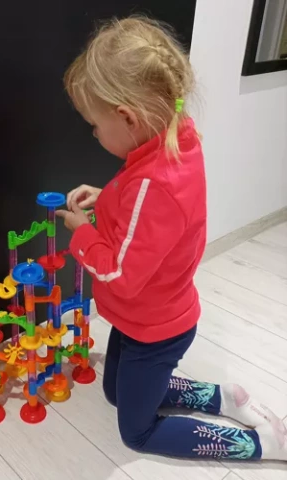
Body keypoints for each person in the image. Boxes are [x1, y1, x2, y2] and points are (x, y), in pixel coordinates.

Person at [56, 16, 287, 461]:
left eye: (94, 125)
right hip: (142, 316)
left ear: (127, 117)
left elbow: (121, 274)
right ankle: (222, 397)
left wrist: (83, 233)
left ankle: (261, 444)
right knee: (115, 393)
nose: (94, 133)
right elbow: (150, 210)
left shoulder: (154, 183)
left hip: (154, 330)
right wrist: (107, 197)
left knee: (136, 433)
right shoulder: (176, 139)